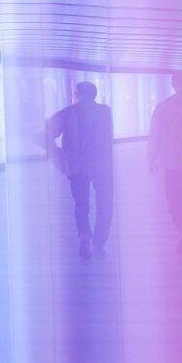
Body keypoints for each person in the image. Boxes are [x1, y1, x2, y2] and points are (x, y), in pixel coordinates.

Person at [46, 81, 114, 259]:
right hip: (101, 165)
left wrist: (59, 155)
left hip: (77, 165)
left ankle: (84, 234)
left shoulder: (68, 113)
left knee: (81, 204)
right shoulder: (105, 112)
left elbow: (47, 132)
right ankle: (100, 238)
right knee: (104, 201)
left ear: (78, 95)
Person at [150, 73, 182, 252]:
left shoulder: (164, 107)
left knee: (174, 201)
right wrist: (152, 157)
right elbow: (155, 134)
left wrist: (152, 157)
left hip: (176, 163)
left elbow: (154, 135)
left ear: (174, 84)